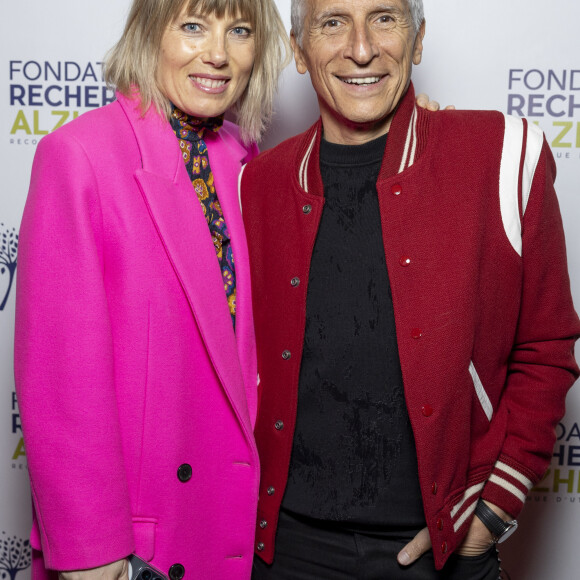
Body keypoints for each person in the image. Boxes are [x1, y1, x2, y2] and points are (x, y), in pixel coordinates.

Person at [241, 0, 580, 578]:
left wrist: (492, 510)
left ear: (418, 41)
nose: (362, 48)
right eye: (331, 23)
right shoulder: (259, 183)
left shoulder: (503, 152)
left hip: (443, 551)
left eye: (384, 18)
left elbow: (546, 348)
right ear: (299, 51)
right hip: (286, 549)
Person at [14, 1, 288, 579]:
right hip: (138, 545)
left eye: (238, 30)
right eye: (193, 26)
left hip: (229, 524)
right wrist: (90, 549)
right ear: (148, 34)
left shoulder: (247, 162)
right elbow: (63, 381)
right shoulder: (80, 156)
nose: (217, 53)